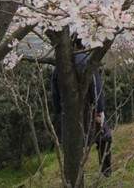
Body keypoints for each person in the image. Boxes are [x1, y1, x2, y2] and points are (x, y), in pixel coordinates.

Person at [51, 36, 113, 177]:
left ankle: (75, 177)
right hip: (88, 109)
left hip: (67, 113)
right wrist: (99, 111)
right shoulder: (87, 61)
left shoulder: (59, 66)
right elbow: (96, 88)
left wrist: (58, 113)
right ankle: (106, 169)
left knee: (74, 148)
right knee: (105, 136)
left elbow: (54, 93)